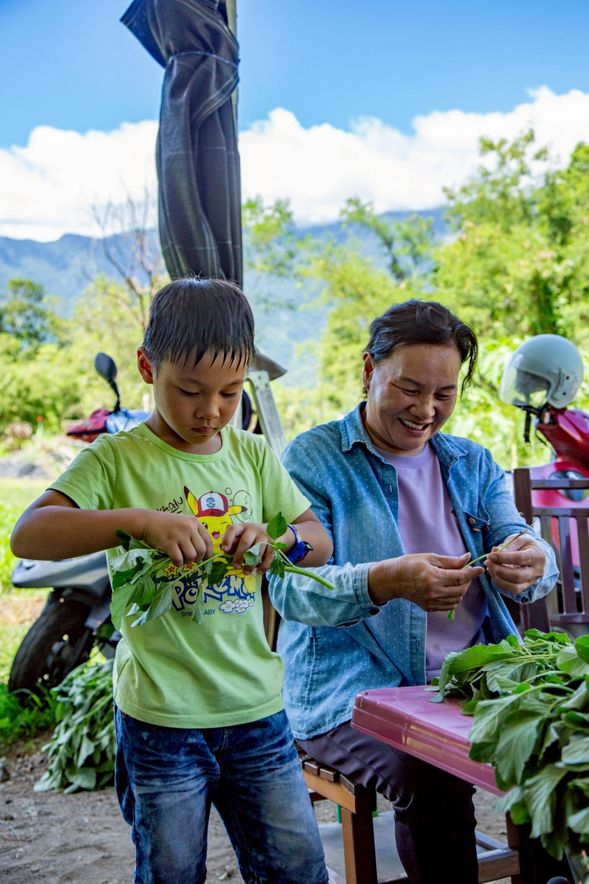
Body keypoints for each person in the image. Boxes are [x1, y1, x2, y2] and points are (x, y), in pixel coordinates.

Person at [11, 278, 332, 884]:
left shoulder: (253, 456)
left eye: (230, 393)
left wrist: (277, 540)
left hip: (257, 712)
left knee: (296, 868)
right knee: (172, 870)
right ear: (145, 367)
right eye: (188, 390)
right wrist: (136, 521)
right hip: (161, 719)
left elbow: (317, 539)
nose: (210, 409)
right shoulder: (116, 459)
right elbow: (29, 534)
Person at [268, 299, 558, 884]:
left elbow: (523, 539)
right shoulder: (315, 459)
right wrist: (386, 580)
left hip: (470, 682)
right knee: (431, 776)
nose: (425, 410)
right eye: (409, 388)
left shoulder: (470, 461)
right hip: (350, 692)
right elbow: (291, 589)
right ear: (368, 369)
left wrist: (533, 560)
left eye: (444, 394)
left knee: (553, 751)